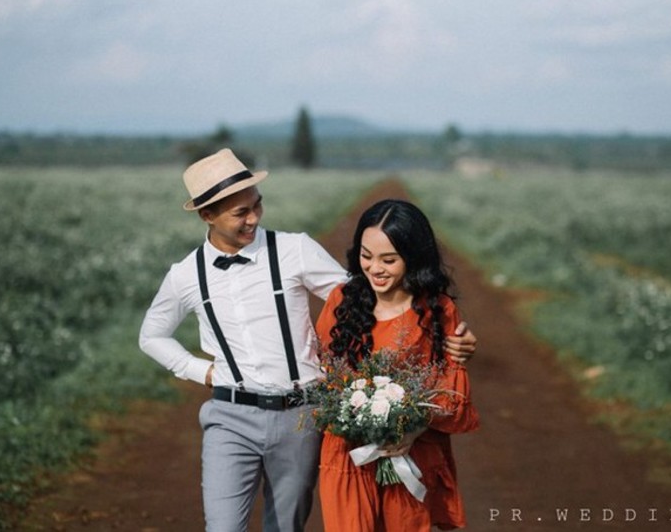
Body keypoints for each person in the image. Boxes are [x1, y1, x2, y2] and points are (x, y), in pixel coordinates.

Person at [138, 149, 477, 532]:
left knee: (285, 526)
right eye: (240, 213)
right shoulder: (185, 275)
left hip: (298, 415)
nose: (254, 218)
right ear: (207, 215)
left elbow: (365, 297)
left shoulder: (293, 249)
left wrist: (446, 330)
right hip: (230, 415)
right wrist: (202, 371)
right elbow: (152, 335)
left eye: (257, 205)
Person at [314, 199, 480, 531]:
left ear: (413, 257)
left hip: (410, 453)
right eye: (366, 256)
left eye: (389, 260)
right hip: (349, 454)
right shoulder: (341, 301)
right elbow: (325, 373)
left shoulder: (437, 310)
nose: (375, 268)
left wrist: (413, 429)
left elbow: (449, 388)